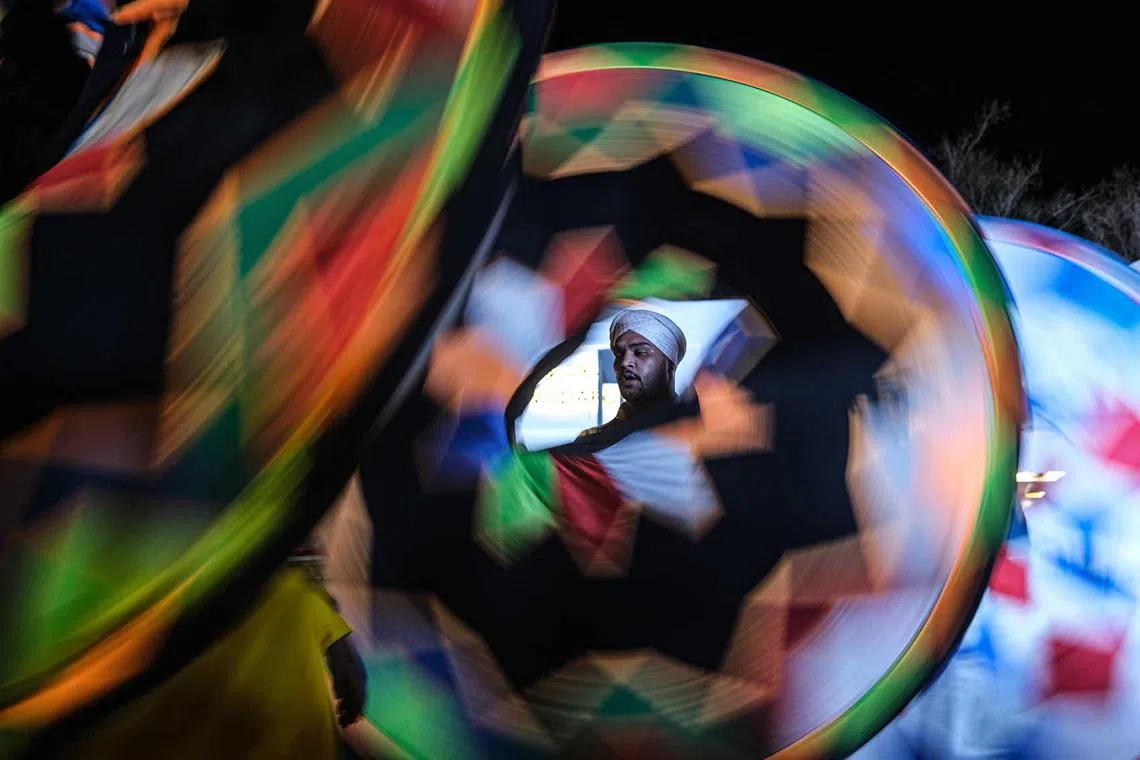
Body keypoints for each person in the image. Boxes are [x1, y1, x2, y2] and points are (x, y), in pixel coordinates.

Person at [577, 308, 687, 440]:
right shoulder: (594, 442)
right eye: (619, 354)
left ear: (670, 365)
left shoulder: (699, 439)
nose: (625, 362)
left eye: (640, 352)